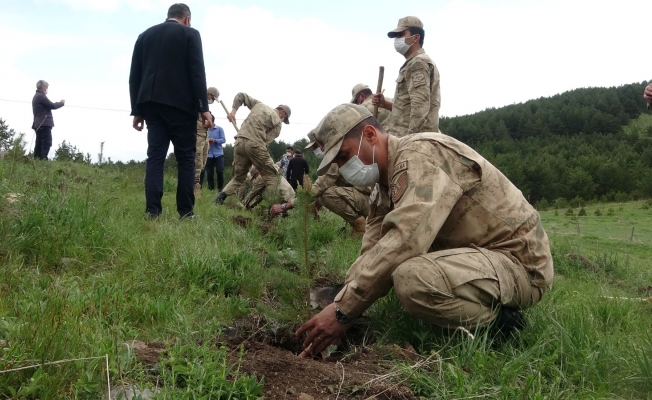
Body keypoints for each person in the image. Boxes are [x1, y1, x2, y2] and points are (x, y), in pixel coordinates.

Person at [295, 104, 554, 358]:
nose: (343, 168)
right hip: (474, 258)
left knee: (411, 277)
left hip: (520, 264)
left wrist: (343, 311)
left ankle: (503, 326)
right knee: (387, 274)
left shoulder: (419, 155)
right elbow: (371, 254)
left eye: (344, 156)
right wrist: (343, 301)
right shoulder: (381, 189)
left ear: (371, 135)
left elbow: (406, 241)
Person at [129, 3, 213, 220]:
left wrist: (137, 110)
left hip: (151, 105)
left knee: (155, 157)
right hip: (181, 106)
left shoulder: (144, 35)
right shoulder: (190, 34)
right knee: (186, 158)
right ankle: (185, 212)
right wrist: (204, 108)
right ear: (187, 18)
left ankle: (152, 212)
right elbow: (197, 72)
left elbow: (135, 76)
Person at [270, 131, 370, 235]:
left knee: (325, 194)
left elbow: (318, 187)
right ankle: (313, 222)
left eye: (317, 146)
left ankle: (360, 227)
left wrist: (285, 206)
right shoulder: (336, 155)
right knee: (316, 197)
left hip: (369, 202)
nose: (317, 150)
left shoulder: (336, 156)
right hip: (363, 199)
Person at [213, 93, 290, 205]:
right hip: (255, 145)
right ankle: (279, 207)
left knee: (239, 178)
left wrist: (233, 112)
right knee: (272, 175)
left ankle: (219, 198)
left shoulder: (258, 105)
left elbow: (241, 96)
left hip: (239, 142)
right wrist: (255, 158)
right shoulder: (278, 123)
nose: (283, 119)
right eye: (285, 118)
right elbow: (265, 142)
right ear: (282, 112)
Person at [372, 16, 441, 137]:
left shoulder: (417, 63)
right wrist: (385, 104)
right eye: (396, 36)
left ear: (416, 37)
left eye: (401, 35)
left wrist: (409, 141)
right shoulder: (413, 63)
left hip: (412, 140)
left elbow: (420, 107)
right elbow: (409, 108)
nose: (397, 39)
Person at [194, 87, 220, 197]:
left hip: (205, 137)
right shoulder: (196, 100)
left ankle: (197, 186)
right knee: (197, 163)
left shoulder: (206, 106)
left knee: (203, 164)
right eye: (213, 98)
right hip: (197, 136)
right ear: (208, 94)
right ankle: (194, 188)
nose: (212, 101)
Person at [31, 80, 65, 160]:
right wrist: (61, 103)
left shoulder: (36, 96)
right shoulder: (41, 96)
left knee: (39, 143)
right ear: (43, 87)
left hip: (38, 123)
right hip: (44, 123)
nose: (47, 89)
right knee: (46, 142)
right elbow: (52, 105)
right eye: (46, 87)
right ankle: (43, 159)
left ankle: (36, 159)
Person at [205, 114, 226, 191]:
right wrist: (207, 141)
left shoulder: (219, 129)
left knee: (219, 170)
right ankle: (211, 189)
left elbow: (223, 140)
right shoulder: (205, 130)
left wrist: (215, 140)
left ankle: (220, 188)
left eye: (207, 120)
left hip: (218, 153)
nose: (205, 122)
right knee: (209, 173)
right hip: (208, 154)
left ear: (211, 120)